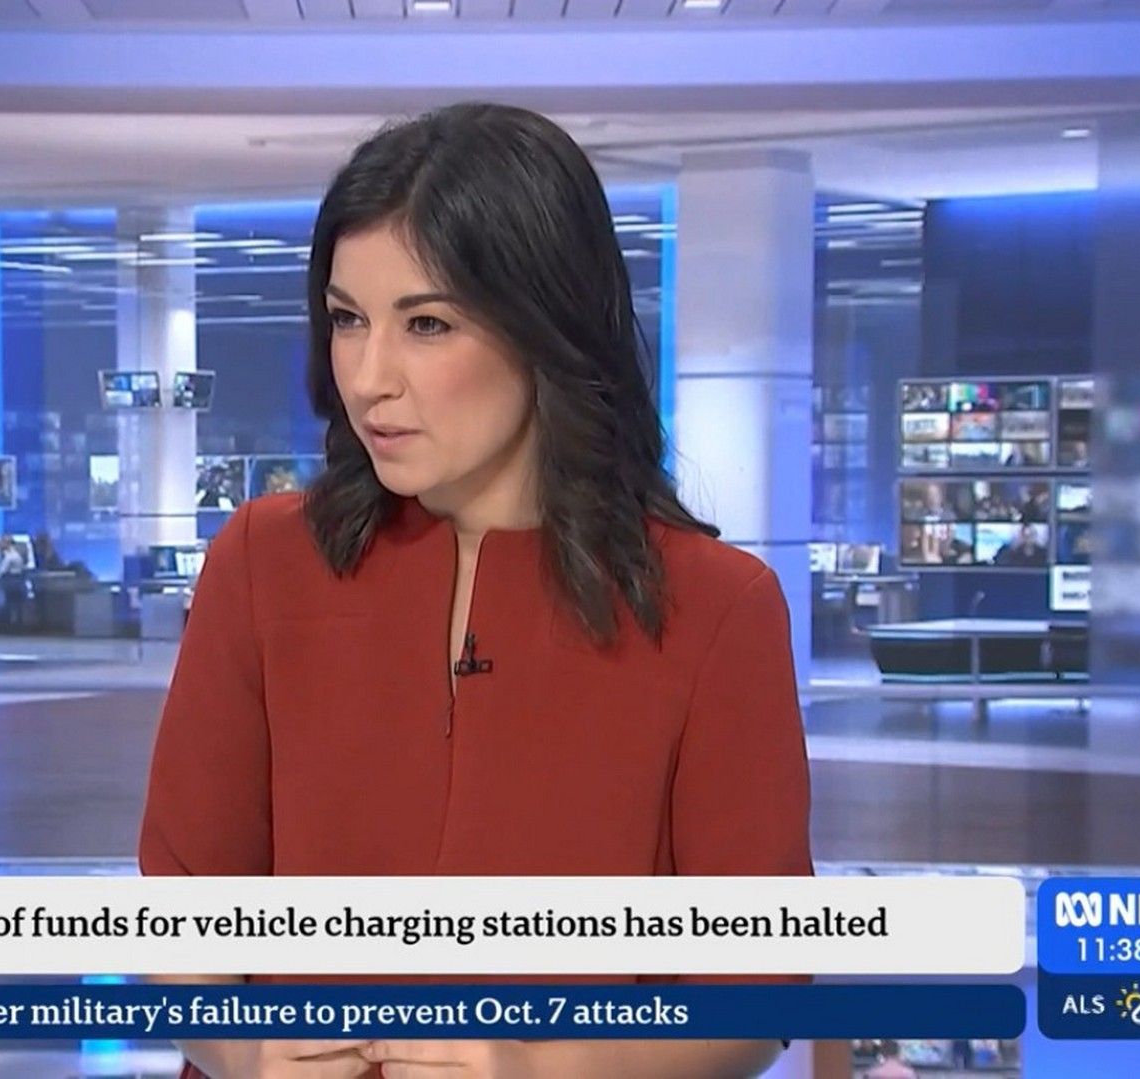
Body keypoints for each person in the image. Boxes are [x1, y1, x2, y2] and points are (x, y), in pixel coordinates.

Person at [139, 102, 810, 1079]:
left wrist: (537, 1069)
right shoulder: (262, 561)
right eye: (347, 320)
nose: (369, 378)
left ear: (546, 325)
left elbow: (753, 996)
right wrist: (244, 1050)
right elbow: (179, 910)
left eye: (427, 324)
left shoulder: (716, 608)